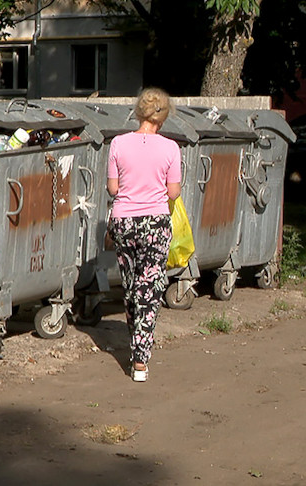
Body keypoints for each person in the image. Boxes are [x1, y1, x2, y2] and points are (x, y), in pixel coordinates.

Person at [106, 87, 182, 382]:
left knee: (130, 287)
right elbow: (173, 191)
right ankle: (140, 361)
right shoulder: (170, 148)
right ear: (162, 118)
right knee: (149, 289)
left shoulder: (118, 143)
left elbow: (113, 189)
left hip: (124, 222)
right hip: (155, 223)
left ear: (139, 112)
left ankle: (133, 342)